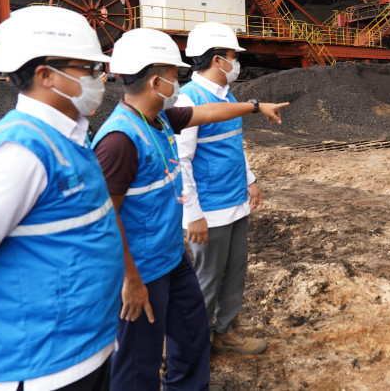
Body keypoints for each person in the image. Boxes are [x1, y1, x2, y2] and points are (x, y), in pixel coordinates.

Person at [91, 28, 286, 390]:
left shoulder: (160, 119)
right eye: (173, 75)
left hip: (170, 257)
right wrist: (130, 280)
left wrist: (256, 107)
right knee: (137, 362)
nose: (178, 82)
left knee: (192, 332)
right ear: (155, 81)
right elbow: (104, 219)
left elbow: (210, 111)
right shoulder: (119, 141)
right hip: (142, 269)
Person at [0, 6, 123, 390]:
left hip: (83, 351)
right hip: (42, 368)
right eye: (90, 70)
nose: (101, 78)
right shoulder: (19, 152)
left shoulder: (69, 136)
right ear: (47, 75)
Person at [176, 22, 265, 354]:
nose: (235, 62)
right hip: (209, 211)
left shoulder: (227, 96)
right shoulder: (189, 100)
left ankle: (223, 332)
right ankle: (192, 350)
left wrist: (250, 180)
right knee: (207, 280)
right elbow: (180, 161)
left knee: (234, 272)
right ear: (217, 59)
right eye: (232, 56)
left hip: (234, 202)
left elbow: (233, 145)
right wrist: (192, 214)